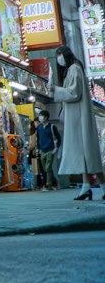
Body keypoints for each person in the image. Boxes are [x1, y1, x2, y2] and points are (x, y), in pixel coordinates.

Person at [50, 44, 103, 200]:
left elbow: (74, 93)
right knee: (86, 155)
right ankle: (91, 186)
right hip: (78, 118)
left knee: (85, 153)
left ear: (65, 54)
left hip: (78, 119)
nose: (59, 58)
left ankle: (90, 187)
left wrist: (55, 89)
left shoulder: (73, 69)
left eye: (60, 54)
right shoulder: (75, 68)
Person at [35, 110, 61, 191]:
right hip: (42, 150)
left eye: (41, 116)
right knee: (45, 169)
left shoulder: (52, 127)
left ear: (46, 117)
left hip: (50, 149)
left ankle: (48, 185)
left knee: (48, 167)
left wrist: (56, 148)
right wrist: (38, 149)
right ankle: (54, 183)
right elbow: (38, 139)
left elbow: (58, 138)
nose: (40, 117)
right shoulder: (39, 127)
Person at [26, 120, 42, 187]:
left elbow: (32, 143)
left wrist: (28, 148)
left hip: (33, 152)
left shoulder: (33, 133)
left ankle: (37, 184)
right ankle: (39, 183)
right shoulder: (37, 131)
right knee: (38, 168)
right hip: (37, 151)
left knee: (35, 168)